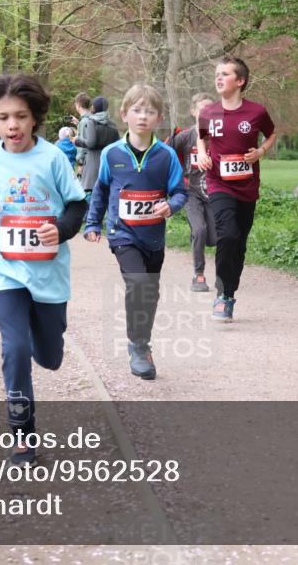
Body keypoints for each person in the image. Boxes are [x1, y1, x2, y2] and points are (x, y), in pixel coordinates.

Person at [0, 74, 87, 466]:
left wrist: (60, 229)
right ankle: (23, 436)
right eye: (3, 117)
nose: (13, 125)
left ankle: (41, 340)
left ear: (34, 118)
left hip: (49, 275)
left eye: (21, 117)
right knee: (14, 348)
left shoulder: (53, 158)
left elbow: (77, 205)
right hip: (6, 272)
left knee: (50, 356)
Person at [84, 84, 187, 380]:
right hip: (122, 234)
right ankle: (138, 346)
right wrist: (93, 223)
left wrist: (170, 206)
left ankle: (143, 341)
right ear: (124, 114)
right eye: (137, 110)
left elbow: (180, 192)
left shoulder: (166, 155)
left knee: (150, 292)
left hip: (153, 237)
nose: (143, 116)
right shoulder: (111, 153)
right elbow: (101, 191)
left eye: (150, 111)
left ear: (159, 118)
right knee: (138, 283)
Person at [196, 56, 278, 322]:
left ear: (240, 81)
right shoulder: (208, 113)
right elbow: (201, 138)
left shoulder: (257, 112)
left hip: (247, 186)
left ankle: (230, 291)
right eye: (217, 74)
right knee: (228, 235)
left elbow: (272, 133)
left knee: (239, 242)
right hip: (218, 182)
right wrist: (202, 154)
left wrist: (261, 151)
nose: (218, 78)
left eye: (225, 74)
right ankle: (222, 295)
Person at [171, 92, 218, 291]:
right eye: (202, 109)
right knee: (199, 230)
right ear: (193, 111)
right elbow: (165, 154)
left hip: (215, 192)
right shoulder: (186, 136)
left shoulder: (220, 135)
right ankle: (198, 275)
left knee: (214, 237)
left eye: (211, 109)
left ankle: (223, 272)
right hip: (192, 192)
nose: (207, 112)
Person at [75, 96, 118, 200]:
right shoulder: (112, 124)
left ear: (94, 107)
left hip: (92, 163)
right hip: (108, 162)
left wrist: (76, 141)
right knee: (106, 195)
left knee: (91, 195)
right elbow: (116, 144)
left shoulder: (91, 122)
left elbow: (90, 143)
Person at [73, 92, 92, 169]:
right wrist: (78, 124)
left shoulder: (84, 122)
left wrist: (80, 163)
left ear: (79, 105)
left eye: (75, 103)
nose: (75, 105)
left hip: (85, 163)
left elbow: (83, 145)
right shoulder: (91, 118)